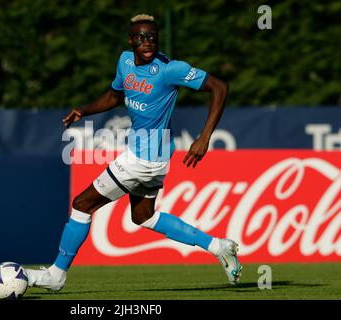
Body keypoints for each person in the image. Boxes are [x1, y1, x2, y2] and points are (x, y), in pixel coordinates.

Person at [26, 14, 242, 291]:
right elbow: (115, 96)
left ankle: (56, 276)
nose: (147, 42)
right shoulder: (125, 61)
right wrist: (85, 109)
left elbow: (219, 87)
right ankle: (218, 246)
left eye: (152, 36)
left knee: (82, 204)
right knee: (143, 217)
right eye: (140, 37)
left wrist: (204, 137)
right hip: (150, 156)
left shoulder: (170, 69)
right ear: (131, 41)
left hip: (145, 158)